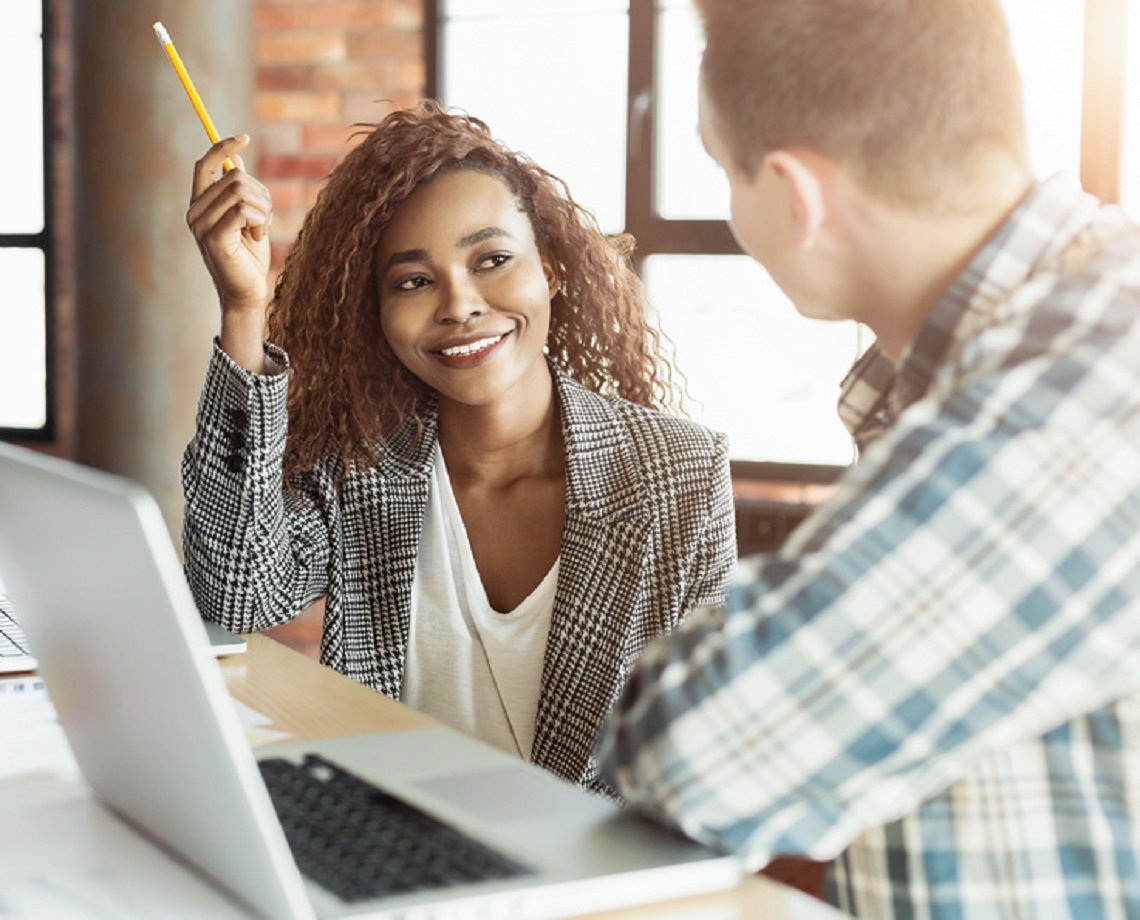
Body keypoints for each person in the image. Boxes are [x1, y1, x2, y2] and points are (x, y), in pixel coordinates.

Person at [596, 0, 1140, 915]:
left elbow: (694, 749)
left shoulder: (1093, 388)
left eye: (724, 170)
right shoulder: (1015, 349)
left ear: (796, 197)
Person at [180, 100, 736, 799]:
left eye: (492, 260)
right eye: (413, 280)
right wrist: (242, 309)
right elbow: (233, 597)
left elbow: (706, 758)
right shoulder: (360, 460)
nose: (459, 304)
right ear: (376, 315)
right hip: (388, 858)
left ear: (552, 271)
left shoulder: (680, 474)